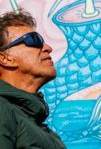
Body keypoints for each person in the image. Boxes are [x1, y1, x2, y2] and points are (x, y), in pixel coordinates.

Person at [0, 9, 65, 148]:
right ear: (5, 59)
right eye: (34, 40)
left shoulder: (44, 130)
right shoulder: (2, 110)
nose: (48, 48)